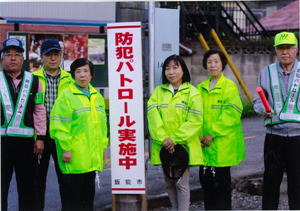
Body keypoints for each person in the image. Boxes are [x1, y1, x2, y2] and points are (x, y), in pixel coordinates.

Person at [49, 58, 108, 210]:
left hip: (91, 158)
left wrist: (102, 148)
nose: (82, 75)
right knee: (72, 201)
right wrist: (66, 148)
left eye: (86, 71)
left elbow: (102, 127)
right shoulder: (66, 96)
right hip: (74, 157)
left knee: (87, 200)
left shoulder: (97, 97)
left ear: (91, 75)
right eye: (78, 71)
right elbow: (58, 125)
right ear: (73, 75)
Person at [147, 54, 204, 210]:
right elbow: (153, 117)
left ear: (183, 70)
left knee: (181, 183)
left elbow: (194, 121)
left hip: (183, 146)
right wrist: (164, 139)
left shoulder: (192, 93)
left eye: (175, 68)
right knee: (169, 182)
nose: (171, 72)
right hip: (163, 145)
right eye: (167, 69)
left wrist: (174, 139)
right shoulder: (158, 92)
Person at [253, 31, 300, 210]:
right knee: (271, 181)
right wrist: (262, 110)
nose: (284, 52)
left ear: (296, 50)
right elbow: (258, 100)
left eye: (288, 48)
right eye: (280, 48)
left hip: (298, 136)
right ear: (275, 51)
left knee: (297, 182)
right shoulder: (266, 72)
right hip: (274, 136)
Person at [0, 38, 46, 210]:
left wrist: (40, 137)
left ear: (23, 58)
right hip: (1, 145)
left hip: (27, 145)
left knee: (28, 190)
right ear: (2, 58)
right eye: (8, 54)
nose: (12, 58)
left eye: (17, 55)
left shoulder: (35, 81)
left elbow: (39, 111)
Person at [197, 49, 245, 210]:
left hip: (222, 147)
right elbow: (195, 114)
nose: (213, 65)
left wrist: (212, 133)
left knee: (222, 185)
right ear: (205, 65)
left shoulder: (229, 86)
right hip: (204, 146)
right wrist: (198, 135)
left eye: (216, 61)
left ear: (223, 64)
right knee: (206, 184)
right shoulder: (201, 88)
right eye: (209, 62)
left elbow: (232, 113)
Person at [32, 39, 73, 210]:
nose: (53, 58)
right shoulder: (33, 79)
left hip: (63, 136)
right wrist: (36, 136)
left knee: (66, 179)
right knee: (37, 180)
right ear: (42, 57)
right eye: (49, 54)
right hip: (39, 136)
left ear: (61, 56)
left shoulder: (71, 79)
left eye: (56, 54)